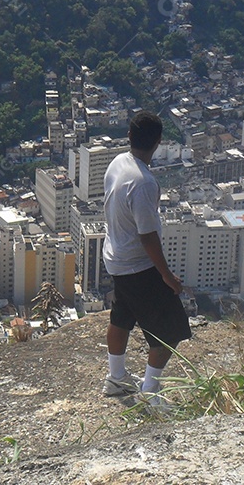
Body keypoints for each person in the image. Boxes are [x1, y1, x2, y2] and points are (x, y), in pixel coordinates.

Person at [101, 110, 191, 408]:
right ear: (159, 142)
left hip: (115, 256)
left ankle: (116, 378)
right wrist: (167, 276)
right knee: (171, 329)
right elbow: (148, 236)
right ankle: (150, 391)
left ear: (129, 136)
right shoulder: (144, 183)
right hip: (138, 265)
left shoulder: (118, 164)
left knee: (122, 316)